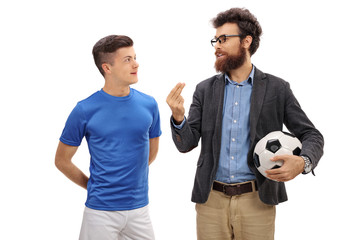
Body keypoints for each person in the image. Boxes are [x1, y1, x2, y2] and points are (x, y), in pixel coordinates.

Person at [166, 8, 324, 240]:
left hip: (257, 200)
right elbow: (186, 144)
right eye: (215, 40)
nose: (216, 46)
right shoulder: (204, 90)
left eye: (223, 39)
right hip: (211, 201)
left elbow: (311, 134)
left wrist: (303, 162)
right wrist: (179, 118)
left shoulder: (277, 88)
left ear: (246, 42)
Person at [55, 35, 161, 240]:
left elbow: (152, 151)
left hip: (140, 209)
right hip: (100, 213)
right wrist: (92, 185)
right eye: (127, 59)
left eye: (135, 57)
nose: (136, 64)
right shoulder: (84, 110)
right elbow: (61, 160)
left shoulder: (149, 104)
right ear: (107, 67)